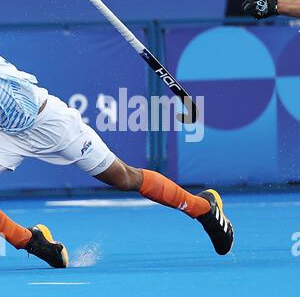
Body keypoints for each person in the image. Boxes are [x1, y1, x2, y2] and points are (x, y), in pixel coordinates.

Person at [0, 56, 234, 268]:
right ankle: (31, 241)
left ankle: (203, 208)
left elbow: (24, 109)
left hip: (50, 124)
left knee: (124, 178)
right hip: (8, 135)